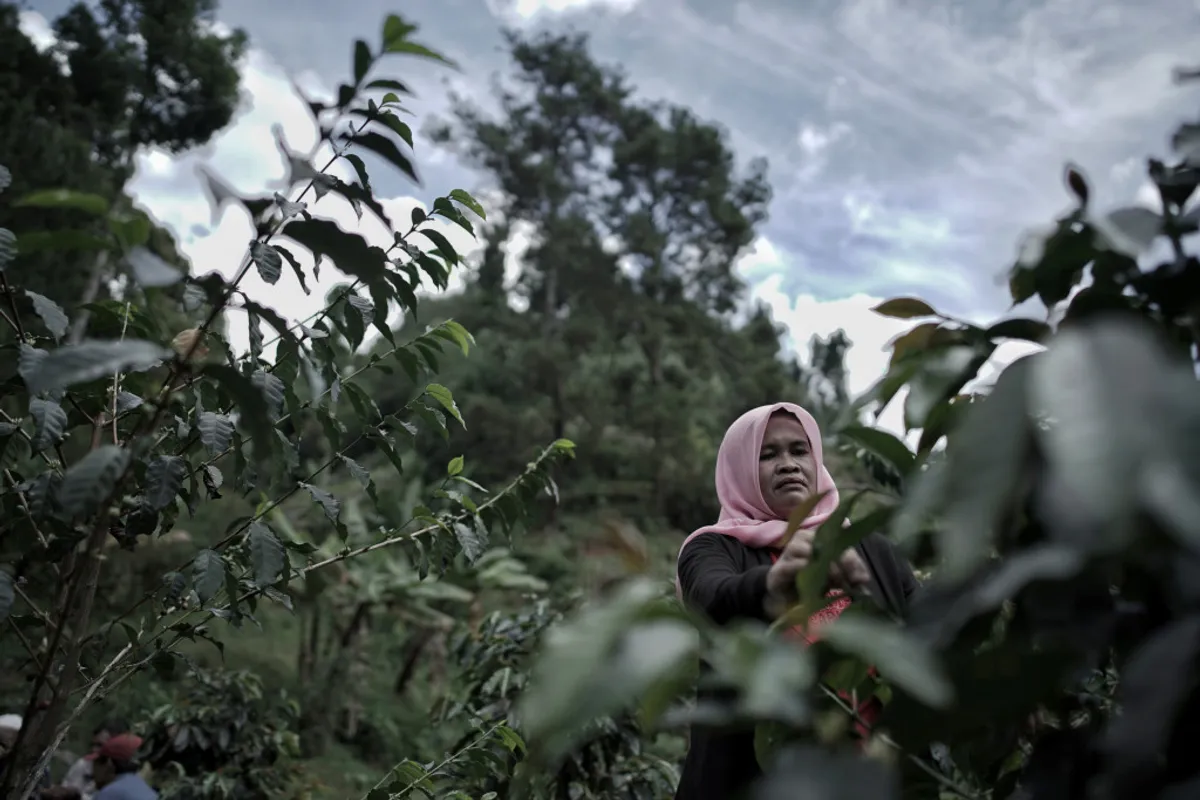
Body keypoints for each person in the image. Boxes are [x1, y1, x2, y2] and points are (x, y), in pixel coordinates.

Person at [673, 403, 920, 800]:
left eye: (798, 450)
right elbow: (713, 597)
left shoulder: (873, 550)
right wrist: (774, 582)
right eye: (767, 455)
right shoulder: (712, 548)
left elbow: (930, 636)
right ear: (739, 470)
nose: (787, 464)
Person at [61, 718, 130, 800]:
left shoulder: (124, 782)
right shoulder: (84, 764)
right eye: (93, 745)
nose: (94, 750)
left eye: (100, 746)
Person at [90, 734, 156, 800]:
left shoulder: (110, 792)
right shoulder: (145, 790)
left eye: (96, 763)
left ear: (109, 763)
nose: (92, 769)